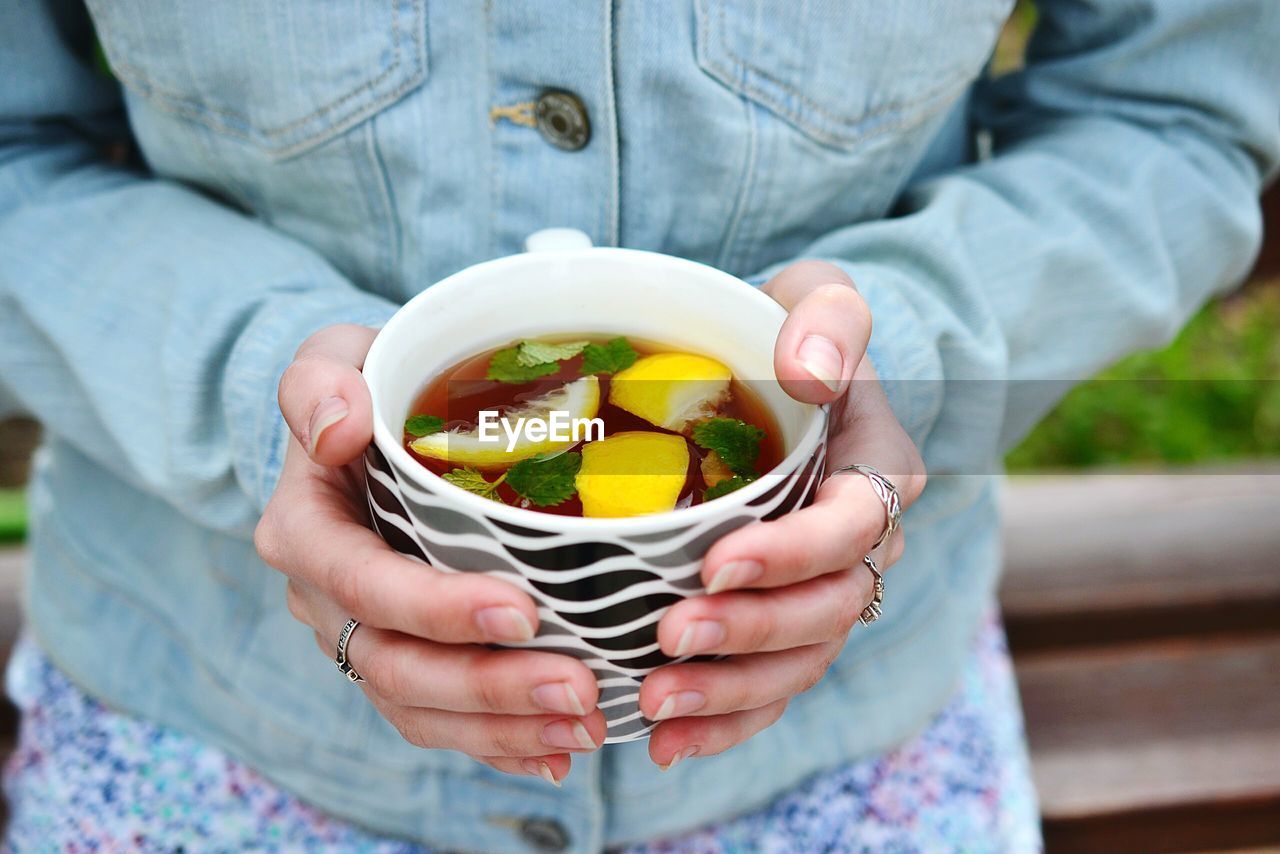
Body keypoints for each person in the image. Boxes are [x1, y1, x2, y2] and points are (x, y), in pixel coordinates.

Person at [0, 1, 1275, 851]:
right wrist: (262, 391)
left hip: (849, 736)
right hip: (211, 726)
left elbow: (1171, 113)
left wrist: (904, 348)